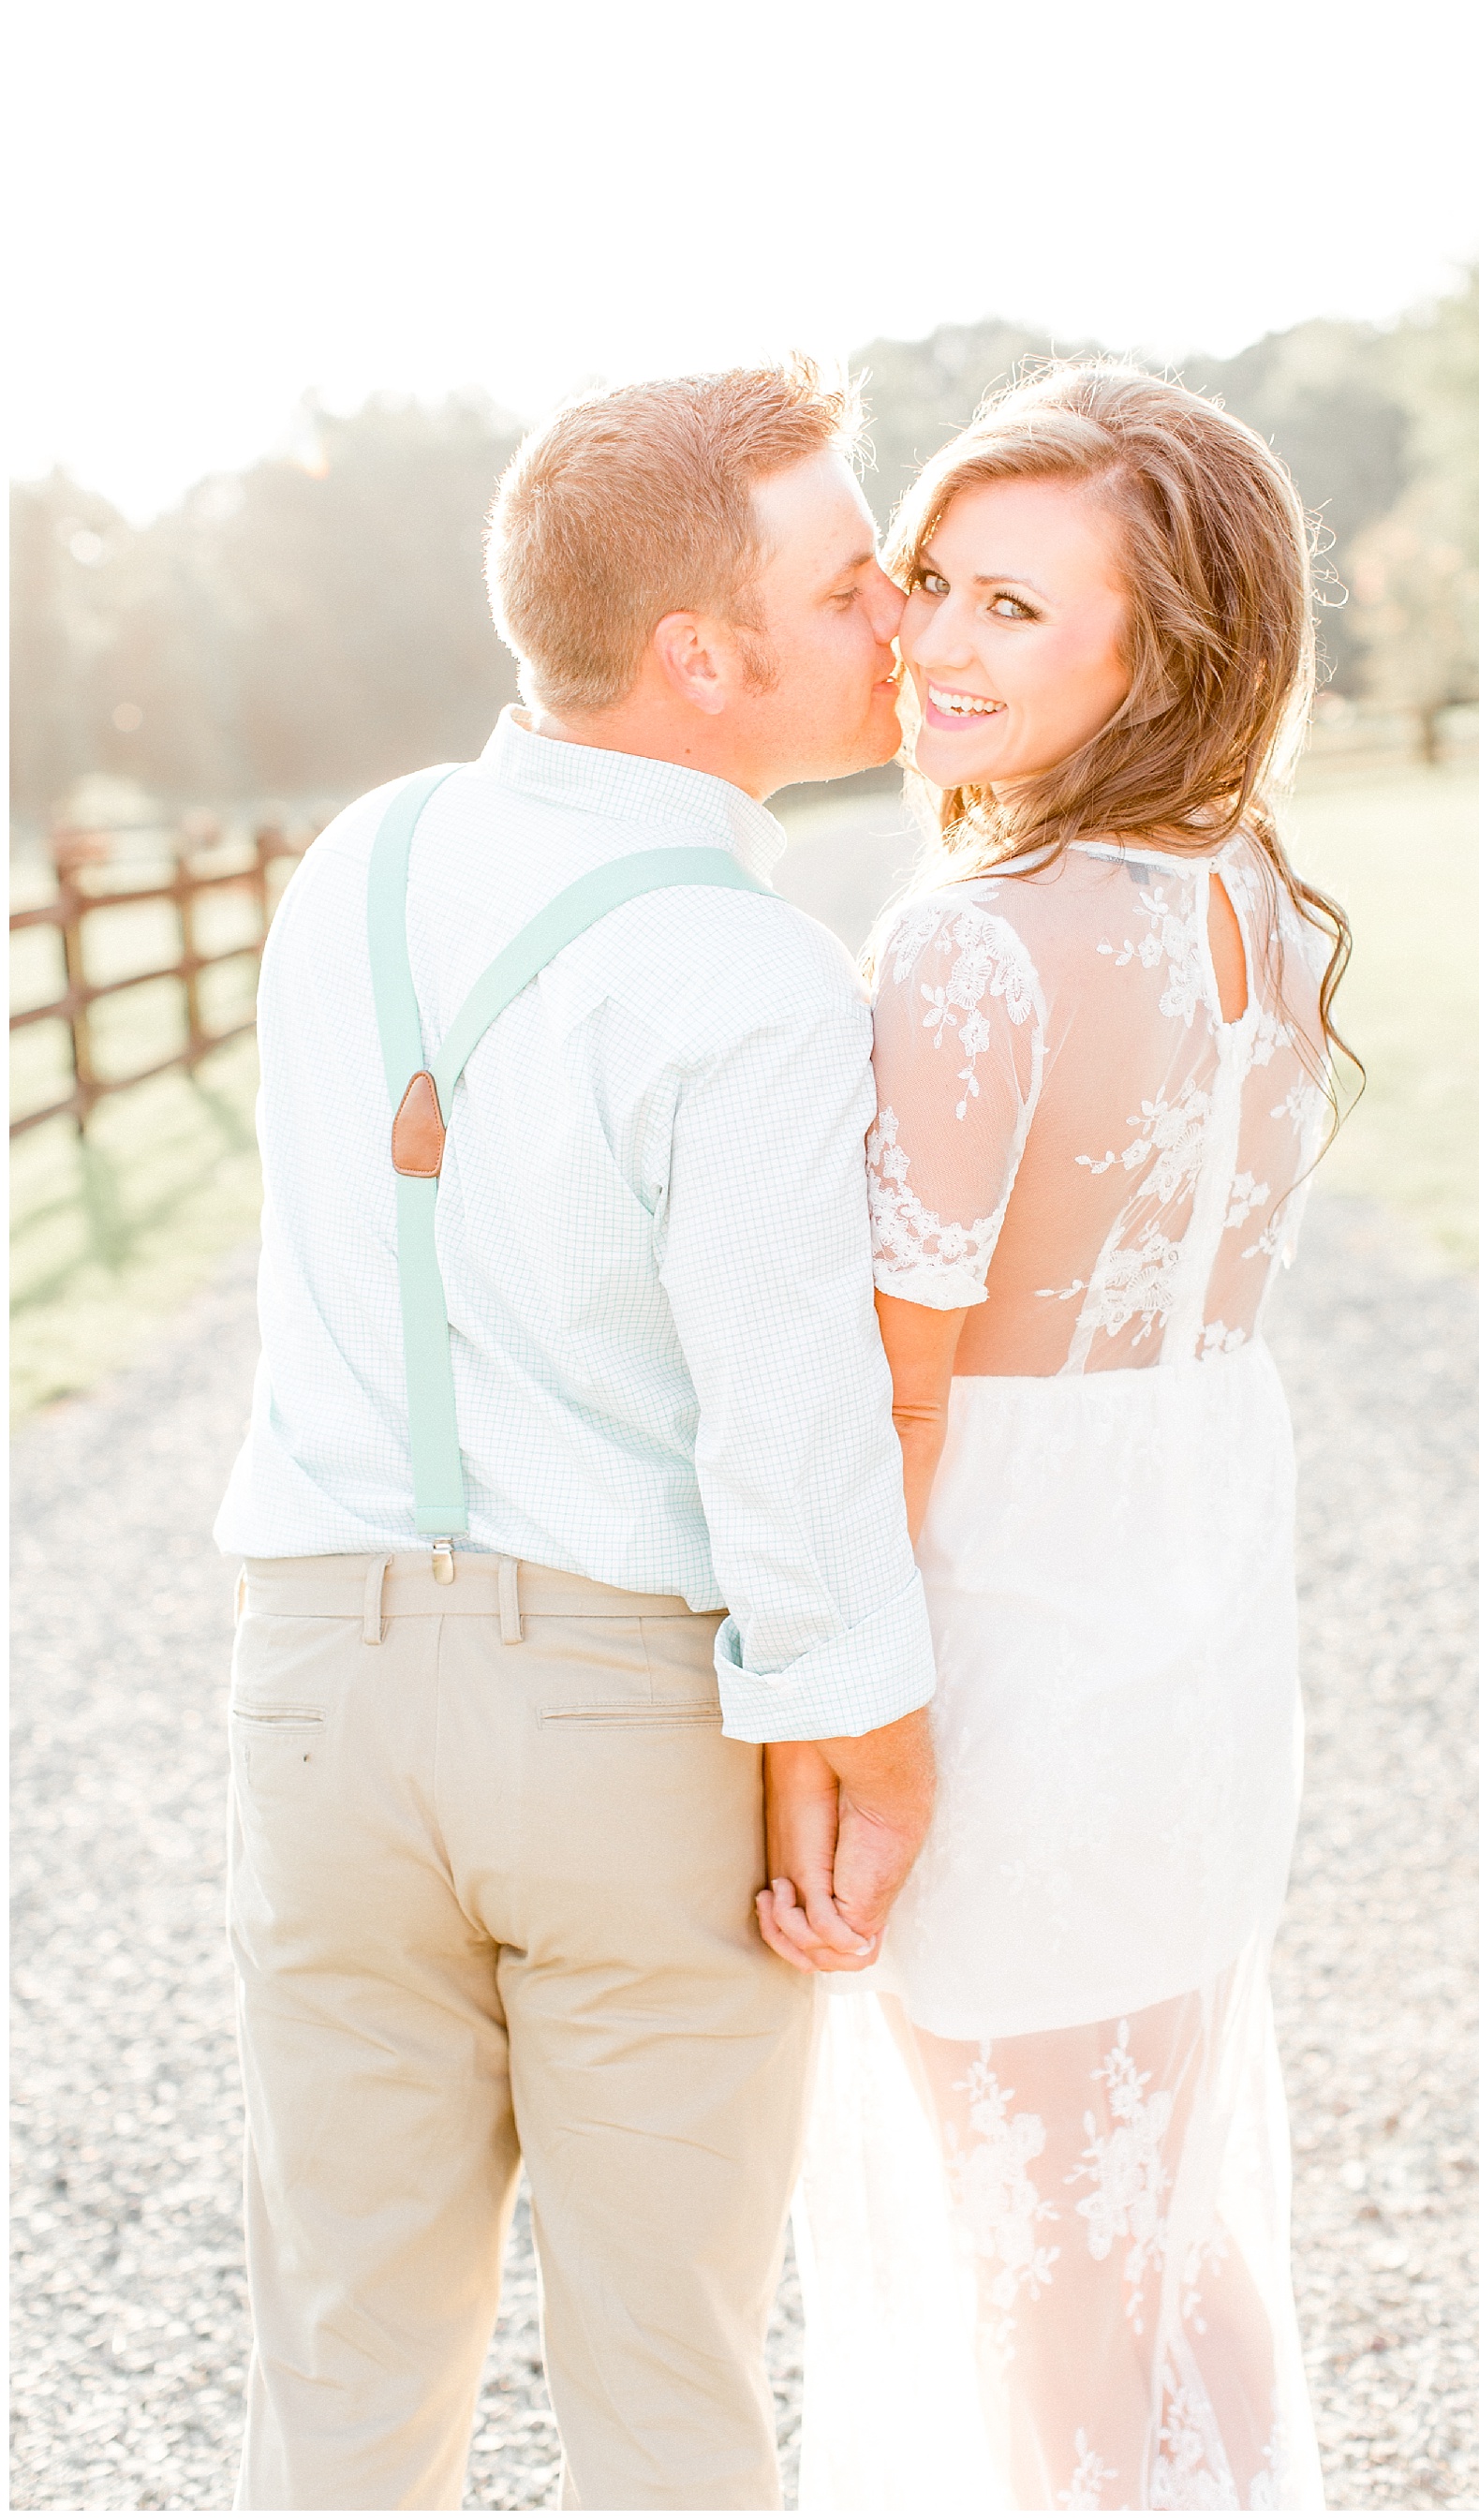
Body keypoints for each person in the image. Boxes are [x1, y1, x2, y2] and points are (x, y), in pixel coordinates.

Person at [212, 359, 936, 2513]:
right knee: (669, 2410)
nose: (896, 607)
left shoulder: (357, 859)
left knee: (337, 2380)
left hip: (319, 1691)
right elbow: (788, 1436)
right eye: (850, 579)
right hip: (621, 1716)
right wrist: (862, 1749)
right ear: (704, 656)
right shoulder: (758, 977)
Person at [763, 363, 1352, 2512]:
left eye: (1017, 607)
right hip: (1193, 1663)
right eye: (932, 585)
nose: (931, 643)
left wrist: (827, 1726)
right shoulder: (1264, 913)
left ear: (1162, 645)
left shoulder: (975, 951)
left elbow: (903, 1394)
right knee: (1156, 2234)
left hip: (1012, 1663)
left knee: (1035, 2284)